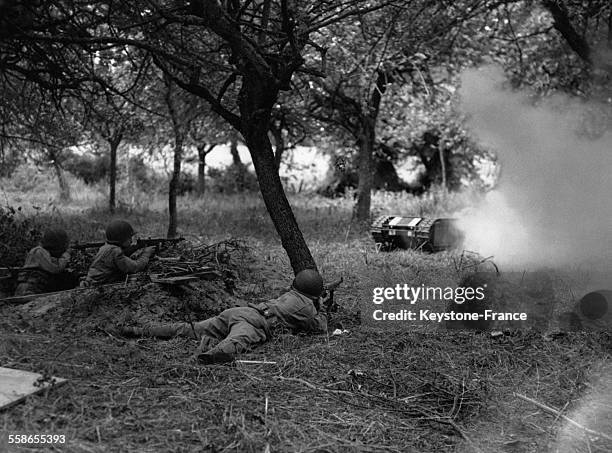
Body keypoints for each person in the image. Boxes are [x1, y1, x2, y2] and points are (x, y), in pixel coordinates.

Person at [118, 269, 330, 364]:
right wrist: (323, 308)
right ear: (315, 294)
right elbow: (319, 328)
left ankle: (140, 330)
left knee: (189, 328)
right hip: (255, 323)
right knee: (233, 343)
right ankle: (206, 355)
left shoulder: (291, 294)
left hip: (240, 311)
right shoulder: (307, 308)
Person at [83, 219, 155, 286]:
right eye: (129, 238)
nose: (131, 241)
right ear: (121, 239)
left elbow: (123, 254)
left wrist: (137, 247)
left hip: (93, 281)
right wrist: (146, 254)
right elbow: (135, 267)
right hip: (100, 285)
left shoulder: (106, 247)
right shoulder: (116, 252)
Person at [15, 227, 79, 296]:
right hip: (29, 290)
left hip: (31, 288)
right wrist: (66, 255)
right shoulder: (38, 251)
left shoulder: (42, 252)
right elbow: (56, 268)